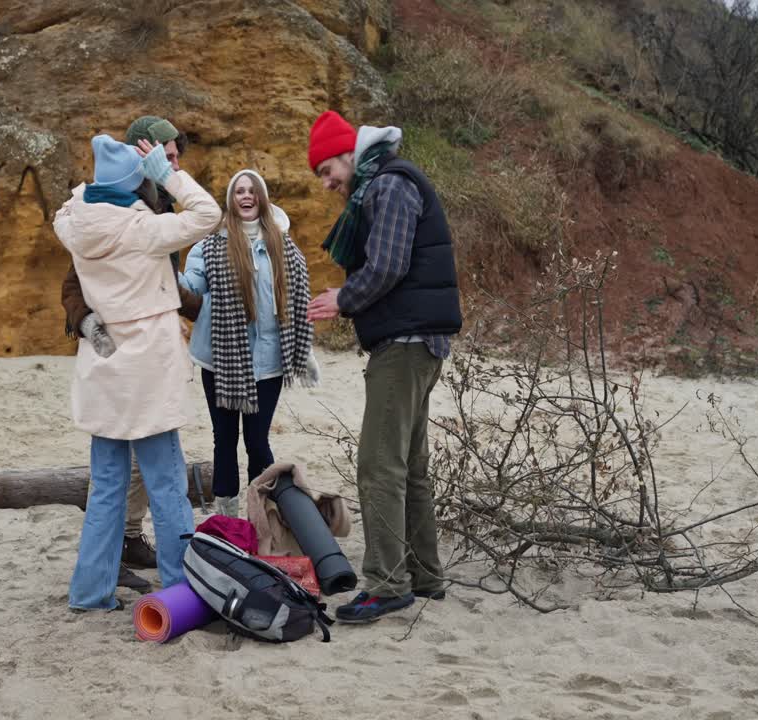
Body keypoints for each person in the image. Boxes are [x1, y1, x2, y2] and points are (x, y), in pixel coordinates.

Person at [305, 110, 462, 624]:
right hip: (419, 340)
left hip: (406, 342)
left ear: (350, 152)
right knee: (410, 467)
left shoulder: (390, 184)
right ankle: (425, 576)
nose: (327, 182)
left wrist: (344, 298)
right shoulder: (385, 182)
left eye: (327, 169)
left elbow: (389, 265)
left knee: (377, 467)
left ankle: (388, 584)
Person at [55, 132, 221, 612]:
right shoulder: (144, 230)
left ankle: (90, 593)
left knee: (106, 486)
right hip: (148, 371)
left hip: (104, 370)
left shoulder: (75, 222)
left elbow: (66, 207)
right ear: (136, 182)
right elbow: (208, 213)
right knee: (167, 484)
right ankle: (180, 591)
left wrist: (94, 184)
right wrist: (166, 173)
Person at [180, 170, 317, 517]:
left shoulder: (282, 245)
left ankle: (262, 515)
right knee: (224, 440)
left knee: (257, 442)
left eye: (252, 191)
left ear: (262, 198)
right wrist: (168, 270)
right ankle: (227, 518)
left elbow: (298, 302)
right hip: (220, 360)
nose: (246, 196)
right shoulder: (209, 247)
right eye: (239, 191)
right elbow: (191, 288)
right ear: (231, 199)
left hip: (268, 362)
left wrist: (307, 353)